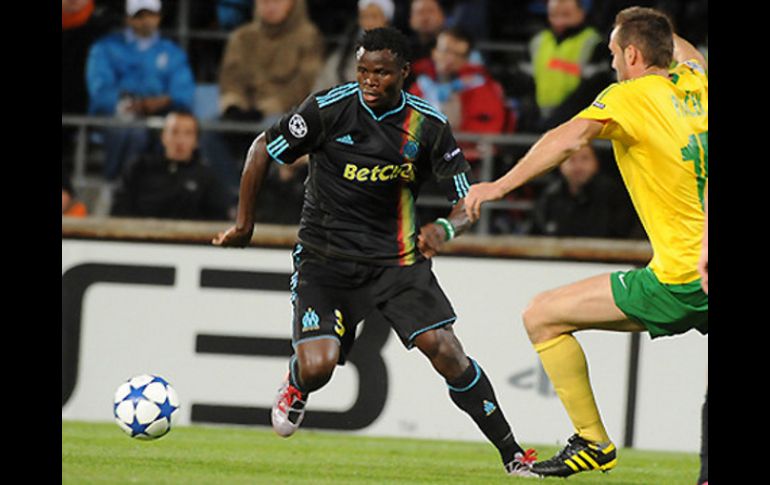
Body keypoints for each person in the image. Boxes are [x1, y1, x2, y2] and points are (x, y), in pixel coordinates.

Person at [212, 26, 538, 477]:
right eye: (363, 70)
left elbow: (468, 201)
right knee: (320, 365)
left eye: (381, 73)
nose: (369, 80)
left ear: (404, 72)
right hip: (326, 260)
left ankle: (513, 455)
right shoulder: (328, 109)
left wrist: (446, 227)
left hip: (397, 261)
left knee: (445, 350)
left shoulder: (428, 126)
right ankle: (298, 381)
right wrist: (245, 224)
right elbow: (262, 148)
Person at [464, 7, 707, 477]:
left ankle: (593, 442)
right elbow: (688, 53)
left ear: (632, 55)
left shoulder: (629, 96)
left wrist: (497, 186)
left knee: (542, 316)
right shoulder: (696, 85)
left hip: (681, 278)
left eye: (615, 52)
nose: (612, 62)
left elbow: (567, 138)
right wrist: (653, 27)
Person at [85, 0, 196, 180]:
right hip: (116, 114)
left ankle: (163, 188)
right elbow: (100, 90)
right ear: (128, 18)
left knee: (176, 131)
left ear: (159, 17)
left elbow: (184, 92)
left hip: (162, 115)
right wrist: (126, 103)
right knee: (132, 132)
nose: (146, 21)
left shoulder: (172, 52)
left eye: (150, 15)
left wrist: (164, 101)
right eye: (139, 16)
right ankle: (118, 186)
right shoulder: (105, 48)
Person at [111, 111, 231, 220]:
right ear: (163, 137)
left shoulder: (207, 177)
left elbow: (218, 217)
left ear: (196, 141)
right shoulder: (138, 168)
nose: (180, 140)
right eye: (174, 132)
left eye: (188, 133)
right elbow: (119, 207)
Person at [218, 0, 324, 122]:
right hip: (242, 111)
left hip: (287, 114)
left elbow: (305, 85)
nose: (270, 6)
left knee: (271, 129)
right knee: (212, 133)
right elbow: (230, 79)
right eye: (264, 2)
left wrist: (265, 109)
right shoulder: (242, 37)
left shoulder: (308, 37)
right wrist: (234, 105)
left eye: (277, 1)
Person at [408, 27, 508, 146]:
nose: (450, 59)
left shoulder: (481, 87)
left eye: (458, 55)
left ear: (466, 60)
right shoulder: (420, 85)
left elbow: (489, 130)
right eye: (446, 51)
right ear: (434, 52)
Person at [525, 0, 611, 131]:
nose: (559, 21)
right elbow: (525, 83)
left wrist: (559, 119)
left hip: (577, 121)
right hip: (539, 119)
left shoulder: (594, 42)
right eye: (554, 15)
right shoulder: (538, 41)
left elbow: (592, 88)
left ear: (581, 13)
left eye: (566, 15)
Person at [529, 143, 640, 238]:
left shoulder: (614, 196)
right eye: (571, 159)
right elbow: (536, 235)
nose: (578, 166)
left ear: (596, 162)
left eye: (585, 158)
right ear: (560, 165)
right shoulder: (550, 197)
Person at [312, 0, 394, 91]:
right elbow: (325, 81)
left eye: (374, 17)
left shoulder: (395, 53)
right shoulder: (346, 50)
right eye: (365, 17)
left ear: (386, 20)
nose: (369, 23)